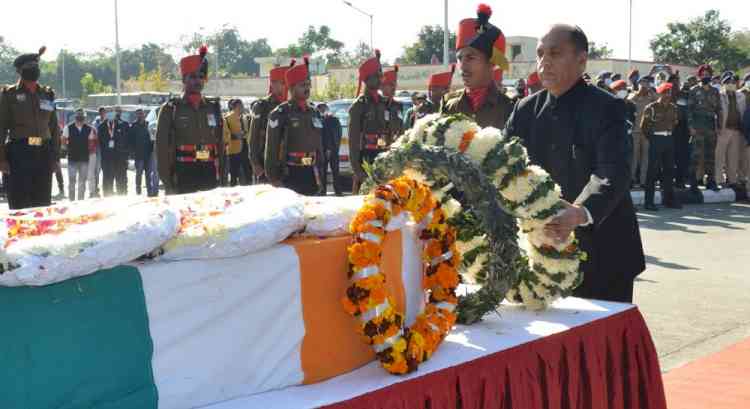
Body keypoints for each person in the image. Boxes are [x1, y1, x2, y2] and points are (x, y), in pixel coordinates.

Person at [504, 24, 645, 303]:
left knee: (603, 343)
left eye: (555, 53)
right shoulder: (525, 110)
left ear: (582, 60)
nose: (544, 62)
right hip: (541, 251)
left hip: (603, 254)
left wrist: (580, 212)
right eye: (541, 54)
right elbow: (503, 166)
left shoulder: (608, 108)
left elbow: (612, 172)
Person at [156, 45, 224, 195]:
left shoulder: (213, 107)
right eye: (192, 77)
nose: (197, 81)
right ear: (184, 79)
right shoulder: (171, 109)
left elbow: (220, 145)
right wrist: (167, 183)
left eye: (201, 76)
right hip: (183, 172)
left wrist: (223, 178)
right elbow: (161, 149)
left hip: (209, 170)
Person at [0, 46, 61, 210]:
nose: (34, 71)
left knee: (42, 203)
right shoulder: (9, 95)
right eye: (30, 69)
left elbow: (54, 128)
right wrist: (2, 159)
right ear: (20, 71)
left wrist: (55, 157)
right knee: (20, 202)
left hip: (43, 152)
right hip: (20, 153)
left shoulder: (47, 94)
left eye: (36, 68)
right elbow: (1, 128)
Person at [441, 4, 513, 129]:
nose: (462, 66)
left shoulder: (510, 108)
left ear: (491, 62)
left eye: (470, 57)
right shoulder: (449, 106)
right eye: (459, 58)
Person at [265, 57, 323, 196]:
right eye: (303, 85)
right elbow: (271, 148)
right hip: (290, 173)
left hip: (311, 172)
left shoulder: (313, 112)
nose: (307, 88)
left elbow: (318, 144)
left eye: (308, 84)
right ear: (291, 88)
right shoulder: (281, 113)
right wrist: (273, 178)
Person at [348, 50, 386, 193]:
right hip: (366, 159)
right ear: (367, 80)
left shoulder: (384, 103)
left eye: (380, 75)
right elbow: (353, 143)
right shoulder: (359, 106)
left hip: (383, 158)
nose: (380, 79)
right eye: (377, 76)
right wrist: (358, 171)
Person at [640, 83, 681, 211]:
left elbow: (675, 123)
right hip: (656, 139)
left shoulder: (673, 108)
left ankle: (668, 200)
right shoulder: (651, 107)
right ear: (659, 93)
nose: (667, 95)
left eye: (669, 93)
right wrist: (653, 139)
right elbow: (644, 127)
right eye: (664, 93)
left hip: (668, 139)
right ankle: (649, 202)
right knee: (652, 171)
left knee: (669, 170)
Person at [250, 62, 291, 184]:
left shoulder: (290, 106)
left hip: (287, 165)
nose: (286, 87)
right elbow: (253, 137)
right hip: (265, 163)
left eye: (287, 83)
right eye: (282, 83)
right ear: (272, 84)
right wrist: (255, 164)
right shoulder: (262, 106)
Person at [688, 64, 722, 192]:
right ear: (699, 75)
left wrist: (719, 126)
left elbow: (719, 109)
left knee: (710, 156)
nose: (705, 76)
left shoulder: (715, 91)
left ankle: (711, 181)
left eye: (707, 74)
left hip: (710, 126)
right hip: (697, 126)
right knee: (696, 156)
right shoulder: (694, 90)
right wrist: (690, 127)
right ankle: (693, 181)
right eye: (703, 74)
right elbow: (689, 111)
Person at [715, 73, 746, 189]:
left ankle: (732, 180)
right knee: (720, 157)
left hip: (736, 130)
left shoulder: (741, 96)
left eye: (732, 82)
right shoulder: (719, 95)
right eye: (728, 83)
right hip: (723, 130)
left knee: (733, 157)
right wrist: (717, 127)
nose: (731, 85)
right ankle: (719, 180)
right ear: (723, 84)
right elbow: (715, 113)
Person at [628, 76, 658, 187]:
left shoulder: (651, 97)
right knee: (634, 156)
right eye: (642, 83)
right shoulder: (634, 94)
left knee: (646, 157)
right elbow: (628, 100)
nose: (644, 85)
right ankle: (631, 179)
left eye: (646, 83)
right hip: (635, 131)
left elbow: (659, 100)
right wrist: (639, 92)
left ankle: (643, 180)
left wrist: (650, 90)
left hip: (647, 131)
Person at [62, 109, 96, 201]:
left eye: (82, 117)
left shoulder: (89, 129)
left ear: (84, 118)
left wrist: (91, 153)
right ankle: (72, 201)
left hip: (84, 159)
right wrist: (65, 149)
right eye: (79, 116)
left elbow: (91, 143)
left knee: (82, 182)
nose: (80, 118)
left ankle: (80, 201)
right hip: (72, 159)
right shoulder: (68, 127)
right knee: (72, 181)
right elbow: (64, 140)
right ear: (76, 117)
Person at [98, 106, 129, 196]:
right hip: (107, 160)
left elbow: (127, 142)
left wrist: (126, 157)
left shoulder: (124, 125)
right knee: (107, 182)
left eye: (113, 112)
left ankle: (123, 198)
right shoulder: (102, 126)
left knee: (121, 182)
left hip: (120, 159)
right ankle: (107, 199)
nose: (111, 114)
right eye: (109, 112)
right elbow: (100, 143)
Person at [223, 99, 251, 186]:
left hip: (245, 147)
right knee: (233, 173)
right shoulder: (228, 118)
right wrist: (235, 136)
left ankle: (247, 185)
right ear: (235, 107)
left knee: (246, 170)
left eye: (242, 106)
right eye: (240, 106)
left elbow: (246, 131)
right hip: (233, 150)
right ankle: (233, 187)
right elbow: (225, 134)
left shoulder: (244, 117)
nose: (242, 108)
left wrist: (244, 134)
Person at [674, 75, 694, 189]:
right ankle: (679, 180)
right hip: (679, 130)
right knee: (679, 157)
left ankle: (683, 179)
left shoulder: (691, 96)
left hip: (688, 130)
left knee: (686, 157)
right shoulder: (680, 97)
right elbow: (681, 115)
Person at [318, 103, 343, 196]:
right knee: (335, 171)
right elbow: (339, 134)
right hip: (334, 149)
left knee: (324, 171)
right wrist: (336, 147)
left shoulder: (326, 121)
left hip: (326, 149)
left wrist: (328, 148)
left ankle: (323, 191)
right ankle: (337, 191)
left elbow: (327, 135)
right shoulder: (335, 120)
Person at [130, 108, 156, 196]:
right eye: (138, 114)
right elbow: (131, 141)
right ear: (136, 115)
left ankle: (150, 191)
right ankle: (138, 190)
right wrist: (132, 153)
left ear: (144, 114)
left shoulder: (148, 125)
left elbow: (152, 138)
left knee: (148, 174)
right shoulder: (133, 126)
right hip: (138, 154)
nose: (140, 115)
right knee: (139, 173)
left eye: (141, 114)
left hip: (148, 154)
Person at [382, 65, 404, 145]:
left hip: (394, 144)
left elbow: (401, 126)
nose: (394, 88)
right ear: (382, 87)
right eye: (390, 85)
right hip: (379, 145)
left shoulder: (398, 105)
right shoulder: (377, 105)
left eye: (394, 85)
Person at [88, 106, 106, 198]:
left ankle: (106, 187)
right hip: (98, 148)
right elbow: (94, 134)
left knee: (106, 169)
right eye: (101, 112)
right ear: (99, 113)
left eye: (104, 112)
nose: (103, 114)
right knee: (97, 169)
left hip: (106, 149)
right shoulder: (96, 123)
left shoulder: (108, 122)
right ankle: (96, 187)